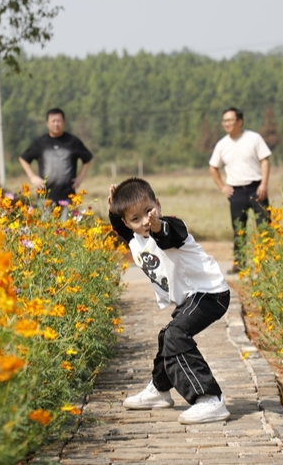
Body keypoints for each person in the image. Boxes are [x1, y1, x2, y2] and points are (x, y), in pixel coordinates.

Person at [108, 178, 231, 425]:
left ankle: (209, 399)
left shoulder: (173, 227)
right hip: (192, 297)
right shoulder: (134, 238)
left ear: (158, 205)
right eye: (136, 219)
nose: (144, 221)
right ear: (126, 222)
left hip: (210, 293)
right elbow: (119, 225)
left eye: (149, 212)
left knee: (176, 335)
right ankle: (160, 390)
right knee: (168, 337)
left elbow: (165, 235)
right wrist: (113, 209)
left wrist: (158, 224)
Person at [208, 108, 271, 273]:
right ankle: (240, 262)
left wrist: (264, 184)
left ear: (240, 121)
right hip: (236, 191)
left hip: (256, 187)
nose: (227, 124)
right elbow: (213, 167)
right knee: (239, 228)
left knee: (264, 225)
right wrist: (222, 186)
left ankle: (268, 261)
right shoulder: (222, 145)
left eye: (230, 120)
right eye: (224, 121)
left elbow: (264, 161)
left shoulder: (253, 138)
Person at [18, 108, 93, 213]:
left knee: (67, 227)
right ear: (47, 123)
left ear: (64, 122)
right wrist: (32, 176)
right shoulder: (40, 143)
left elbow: (87, 158)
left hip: (68, 195)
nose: (56, 124)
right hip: (45, 196)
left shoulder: (73, 141)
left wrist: (80, 177)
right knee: (45, 227)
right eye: (53, 121)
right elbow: (23, 158)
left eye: (59, 121)